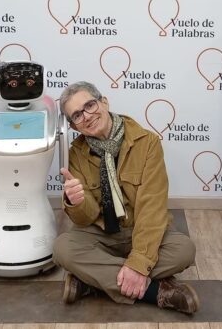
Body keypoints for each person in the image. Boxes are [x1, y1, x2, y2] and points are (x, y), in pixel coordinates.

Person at [52, 81, 199, 314]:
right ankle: (156, 292)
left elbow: (152, 208)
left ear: (104, 102)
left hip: (140, 229)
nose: (87, 116)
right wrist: (77, 202)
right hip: (101, 234)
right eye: (77, 115)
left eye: (89, 105)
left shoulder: (147, 142)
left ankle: (92, 282)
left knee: (184, 250)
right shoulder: (76, 153)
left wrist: (138, 263)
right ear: (73, 126)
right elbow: (86, 218)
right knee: (62, 249)